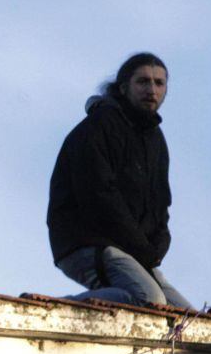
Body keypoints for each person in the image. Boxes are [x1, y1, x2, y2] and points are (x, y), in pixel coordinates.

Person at [46, 53, 192, 308]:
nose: (152, 89)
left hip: (130, 248)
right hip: (87, 241)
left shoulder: (155, 139)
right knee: (148, 299)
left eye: (159, 83)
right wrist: (142, 248)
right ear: (124, 87)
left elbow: (161, 204)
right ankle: (56, 310)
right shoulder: (100, 126)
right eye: (143, 81)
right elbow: (99, 196)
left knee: (187, 319)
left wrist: (158, 245)